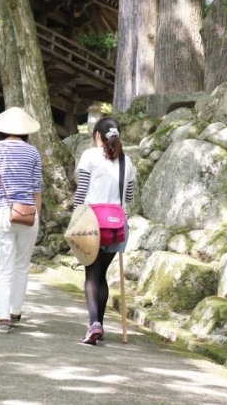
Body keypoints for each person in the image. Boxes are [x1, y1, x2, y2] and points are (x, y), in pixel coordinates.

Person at [0, 107, 43, 333]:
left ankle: (3, 318)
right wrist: (37, 216)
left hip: (5, 211)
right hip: (29, 213)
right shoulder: (33, 152)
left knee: (4, 268)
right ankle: (16, 310)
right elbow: (37, 189)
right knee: (22, 265)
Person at [73, 116, 136, 345]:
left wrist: (74, 219)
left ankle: (94, 325)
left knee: (91, 274)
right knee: (102, 275)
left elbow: (81, 193)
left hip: (93, 224)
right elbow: (128, 197)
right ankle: (99, 325)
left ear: (98, 135)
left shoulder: (90, 156)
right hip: (117, 226)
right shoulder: (128, 162)